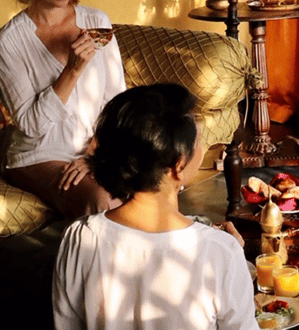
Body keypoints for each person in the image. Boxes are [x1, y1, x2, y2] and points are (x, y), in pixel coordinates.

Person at [52, 84, 258, 330]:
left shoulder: (79, 238)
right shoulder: (220, 253)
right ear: (178, 166)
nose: (202, 148)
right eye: (199, 141)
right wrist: (230, 254)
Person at [0, 0, 127, 219]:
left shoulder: (96, 22)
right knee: (100, 200)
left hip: (93, 148)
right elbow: (31, 125)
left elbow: (117, 102)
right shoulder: (9, 41)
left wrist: (95, 155)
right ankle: (90, 264)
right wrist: (72, 70)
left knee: (149, 183)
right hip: (40, 155)